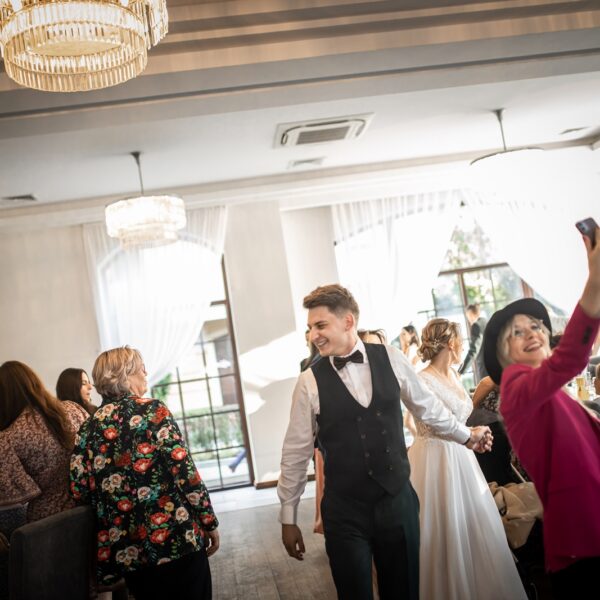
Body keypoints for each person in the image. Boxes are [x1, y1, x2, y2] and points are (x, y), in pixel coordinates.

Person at [277, 284, 492, 600]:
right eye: (310, 328)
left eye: (320, 325)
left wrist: (466, 437)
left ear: (348, 321)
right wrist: (288, 516)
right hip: (344, 512)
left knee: (404, 591)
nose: (314, 335)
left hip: (398, 503)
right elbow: (295, 452)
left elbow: (428, 409)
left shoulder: (391, 358)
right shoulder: (308, 381)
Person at [483, 225, 600, 599]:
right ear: (504, 355)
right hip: (582, 539)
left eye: (534, 325)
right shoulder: (515, 388)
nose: (531, 332)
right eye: (516, 333)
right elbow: (571, 358)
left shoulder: (552, 394)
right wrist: (594, 281)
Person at [70, 346, 219, 599]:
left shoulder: (88, 428)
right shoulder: (153, 411)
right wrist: (209, 521)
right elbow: (185, 472)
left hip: (129, 552)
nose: (146, 372)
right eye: (141, 368)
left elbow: (78, 489)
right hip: (177, 539)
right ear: (125, 375)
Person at [409, 319, 527, 599]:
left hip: (463, 457)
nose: (463, 347)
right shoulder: (422, 380)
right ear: (451, 344)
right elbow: (436, 422)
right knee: (444, 526)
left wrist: (479, 433)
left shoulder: (454, 374)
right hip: (435, 461)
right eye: (461, 341)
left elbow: (463, 417)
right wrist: (470, 434)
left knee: (474, 524)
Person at [0, 360, 88, 522]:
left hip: (47, 521)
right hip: (87, 506)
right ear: (34, 382)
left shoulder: (8, 438)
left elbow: (14, 499)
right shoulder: (73, 409)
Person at [458, 303, 488, 383]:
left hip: (484, 368)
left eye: (467, 316)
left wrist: (461, 371)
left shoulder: (476, 326)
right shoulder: (486, 321)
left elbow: (473, 350)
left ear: (471, 314)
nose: (468, 319)